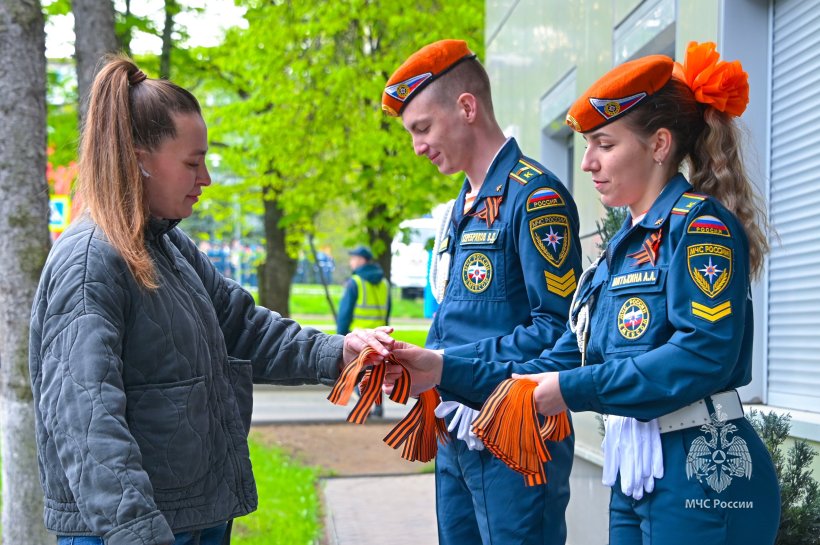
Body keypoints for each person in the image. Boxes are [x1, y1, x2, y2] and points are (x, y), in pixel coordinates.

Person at [389, 42, 781, 544]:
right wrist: (443, 369)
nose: (589, 163)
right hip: (638, 466)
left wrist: (568, 390)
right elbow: (566, 352)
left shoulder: (702, 227)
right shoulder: (619, 252)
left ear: (659, 145)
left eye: (605, 144)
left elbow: (701, 354)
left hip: (705, 466)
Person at [28, 55, 392, 545]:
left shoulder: (169, 247)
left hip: (192, 518)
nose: (206, 180)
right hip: (135, 530)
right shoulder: (91, 261)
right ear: (139, 158)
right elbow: (87, 423)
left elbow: (244, 328)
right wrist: (137, 533)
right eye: (192, 163)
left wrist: (342, 353)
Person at [382, 39, 582, 545]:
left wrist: (449, 365)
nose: (418, 146)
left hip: (515, 433)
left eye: (422, 128)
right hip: (455, 427)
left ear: (466, 107)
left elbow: (558, 331)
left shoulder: (535, 197)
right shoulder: (460, 208)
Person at [336, 245, 390, 335]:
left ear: (362, 260)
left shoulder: (355, 282)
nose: (350, 262)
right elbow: (387, 311)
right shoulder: (384, 283)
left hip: (357, 337)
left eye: (353, 258)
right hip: (380, 336)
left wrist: (340, 337)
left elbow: (345, 314)